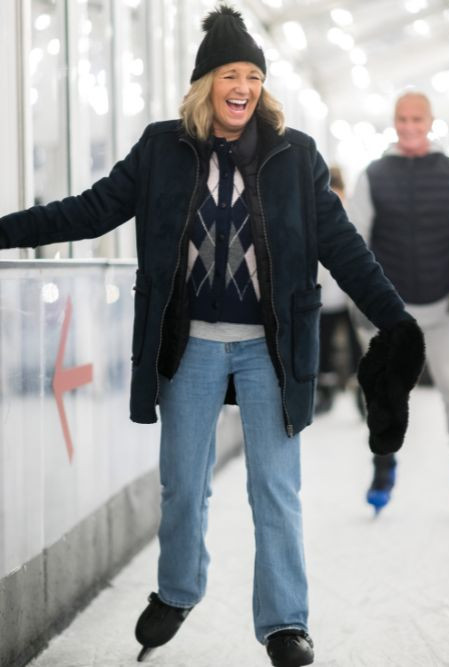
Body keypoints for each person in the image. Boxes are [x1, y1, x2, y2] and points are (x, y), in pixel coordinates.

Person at [0, 6, 424, 667]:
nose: (244, 87)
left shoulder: (296, 155)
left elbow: (342, 247)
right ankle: (177, 588)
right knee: (180, 481)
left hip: (270, 348)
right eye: (232, 73)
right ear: (206, 83)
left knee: (275, 486)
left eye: (254, 75)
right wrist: (4, 229)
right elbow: (88, 210)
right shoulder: (162, 150)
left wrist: (396, 318)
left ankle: (285, 622)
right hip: (189, 341)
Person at [348, 91, 449, 514]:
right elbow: (355, 239)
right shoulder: (373, 175)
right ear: (394, 123)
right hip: (392, 310)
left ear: (430, 122)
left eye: (417, 119)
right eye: (402, 119)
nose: (409, 126)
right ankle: (383, 469)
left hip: (445, 304)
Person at [313, 165, 364, 416]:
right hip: (327, 293)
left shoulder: (352, 211)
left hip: (349, 293)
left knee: (355, 344)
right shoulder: (317, 209)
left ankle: (359, 393)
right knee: (324, 342)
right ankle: (327, 390)